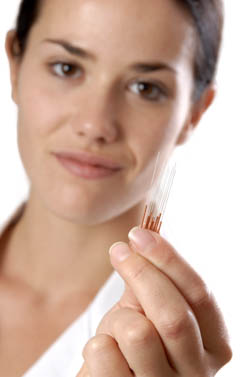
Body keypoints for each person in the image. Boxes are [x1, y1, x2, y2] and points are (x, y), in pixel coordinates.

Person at [0, 0, 232, 376]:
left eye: (145, 87)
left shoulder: (184, 346)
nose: (95, 125)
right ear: (15, 66)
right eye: (67, 67)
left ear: (194, 113)